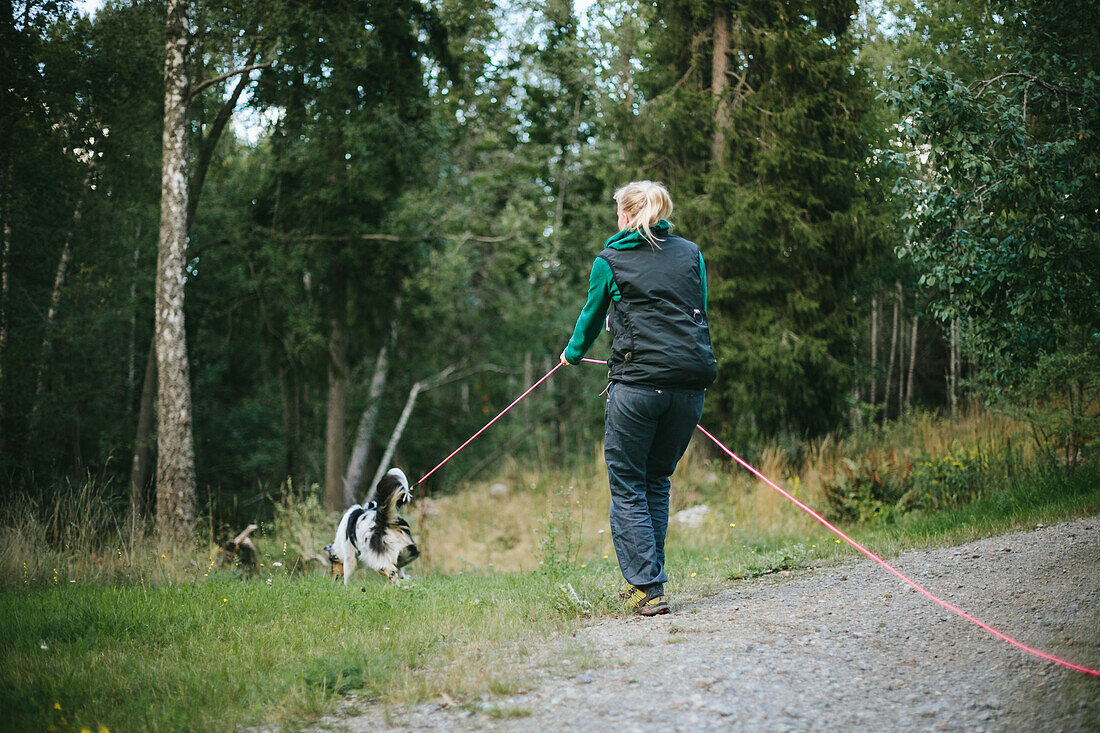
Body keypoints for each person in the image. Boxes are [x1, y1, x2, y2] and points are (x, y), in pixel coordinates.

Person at [560, 180, 717, 616]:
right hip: (688, 388)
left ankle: (646, 588)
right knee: (655, 481)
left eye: (617, 212)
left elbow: (591, 319)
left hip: (637, 389)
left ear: (627, 215)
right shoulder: (691, 254)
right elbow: (698, 307)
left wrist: (571, 355)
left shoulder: (609, 260)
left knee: (629, 485)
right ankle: (649, 584)